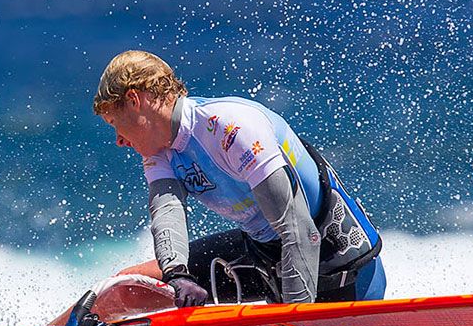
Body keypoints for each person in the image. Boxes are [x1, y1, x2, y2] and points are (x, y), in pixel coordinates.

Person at [93, 50, 385, 307]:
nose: (118, 140)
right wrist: (177, 276)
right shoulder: (159, 151)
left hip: (342, 273)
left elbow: (300, 232)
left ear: (134, 100)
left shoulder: (228, 128)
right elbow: (167, 213)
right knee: (126, 288)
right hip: (266, 258)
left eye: (114, 123)